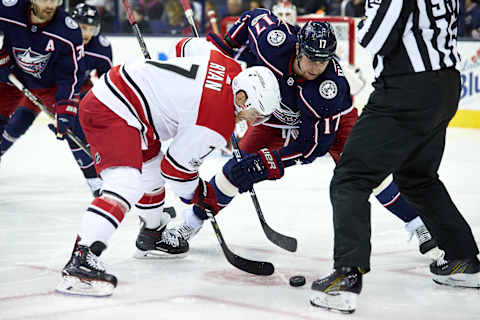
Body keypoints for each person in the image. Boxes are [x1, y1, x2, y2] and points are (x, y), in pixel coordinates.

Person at [169, 9, 439, 258]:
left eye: (323, 61)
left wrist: (269, 162)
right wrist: (226, 48)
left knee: (367, 172)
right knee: (235, 169)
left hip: (332, 124)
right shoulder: (274, 42)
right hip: (275, 114)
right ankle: (191, 223)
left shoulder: (327, 90)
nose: (315, 67)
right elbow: (253, 18)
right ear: (298, 46)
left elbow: (312, 147)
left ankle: (417, 223)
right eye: (311, 58)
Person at [55, 48, 282, 296]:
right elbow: (175, 170)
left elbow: (185, 46)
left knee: (150, 171)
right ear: (241, 98)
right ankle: (81, 258)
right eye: (254, 114)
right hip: (114, 109)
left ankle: (151, 235)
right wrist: (200, 194)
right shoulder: (217, 121)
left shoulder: (228, 64)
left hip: (126, 98)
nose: (251, 121)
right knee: (126, 183)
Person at [309, 0, 480, 314]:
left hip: (406, 89)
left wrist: (363, 15)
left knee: (351, 178)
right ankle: (462, 257)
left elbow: (374, 37)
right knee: (417, 177)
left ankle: (347, 275)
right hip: (444, 85)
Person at [0, 0, 83, 166]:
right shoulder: (9, 8)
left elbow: (69, 75)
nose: (51, 5)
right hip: (12, 75)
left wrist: (65, 107)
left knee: (77, 130)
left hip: (50, 86)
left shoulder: (68, 30)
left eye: (56, 0)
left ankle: (99, 184)